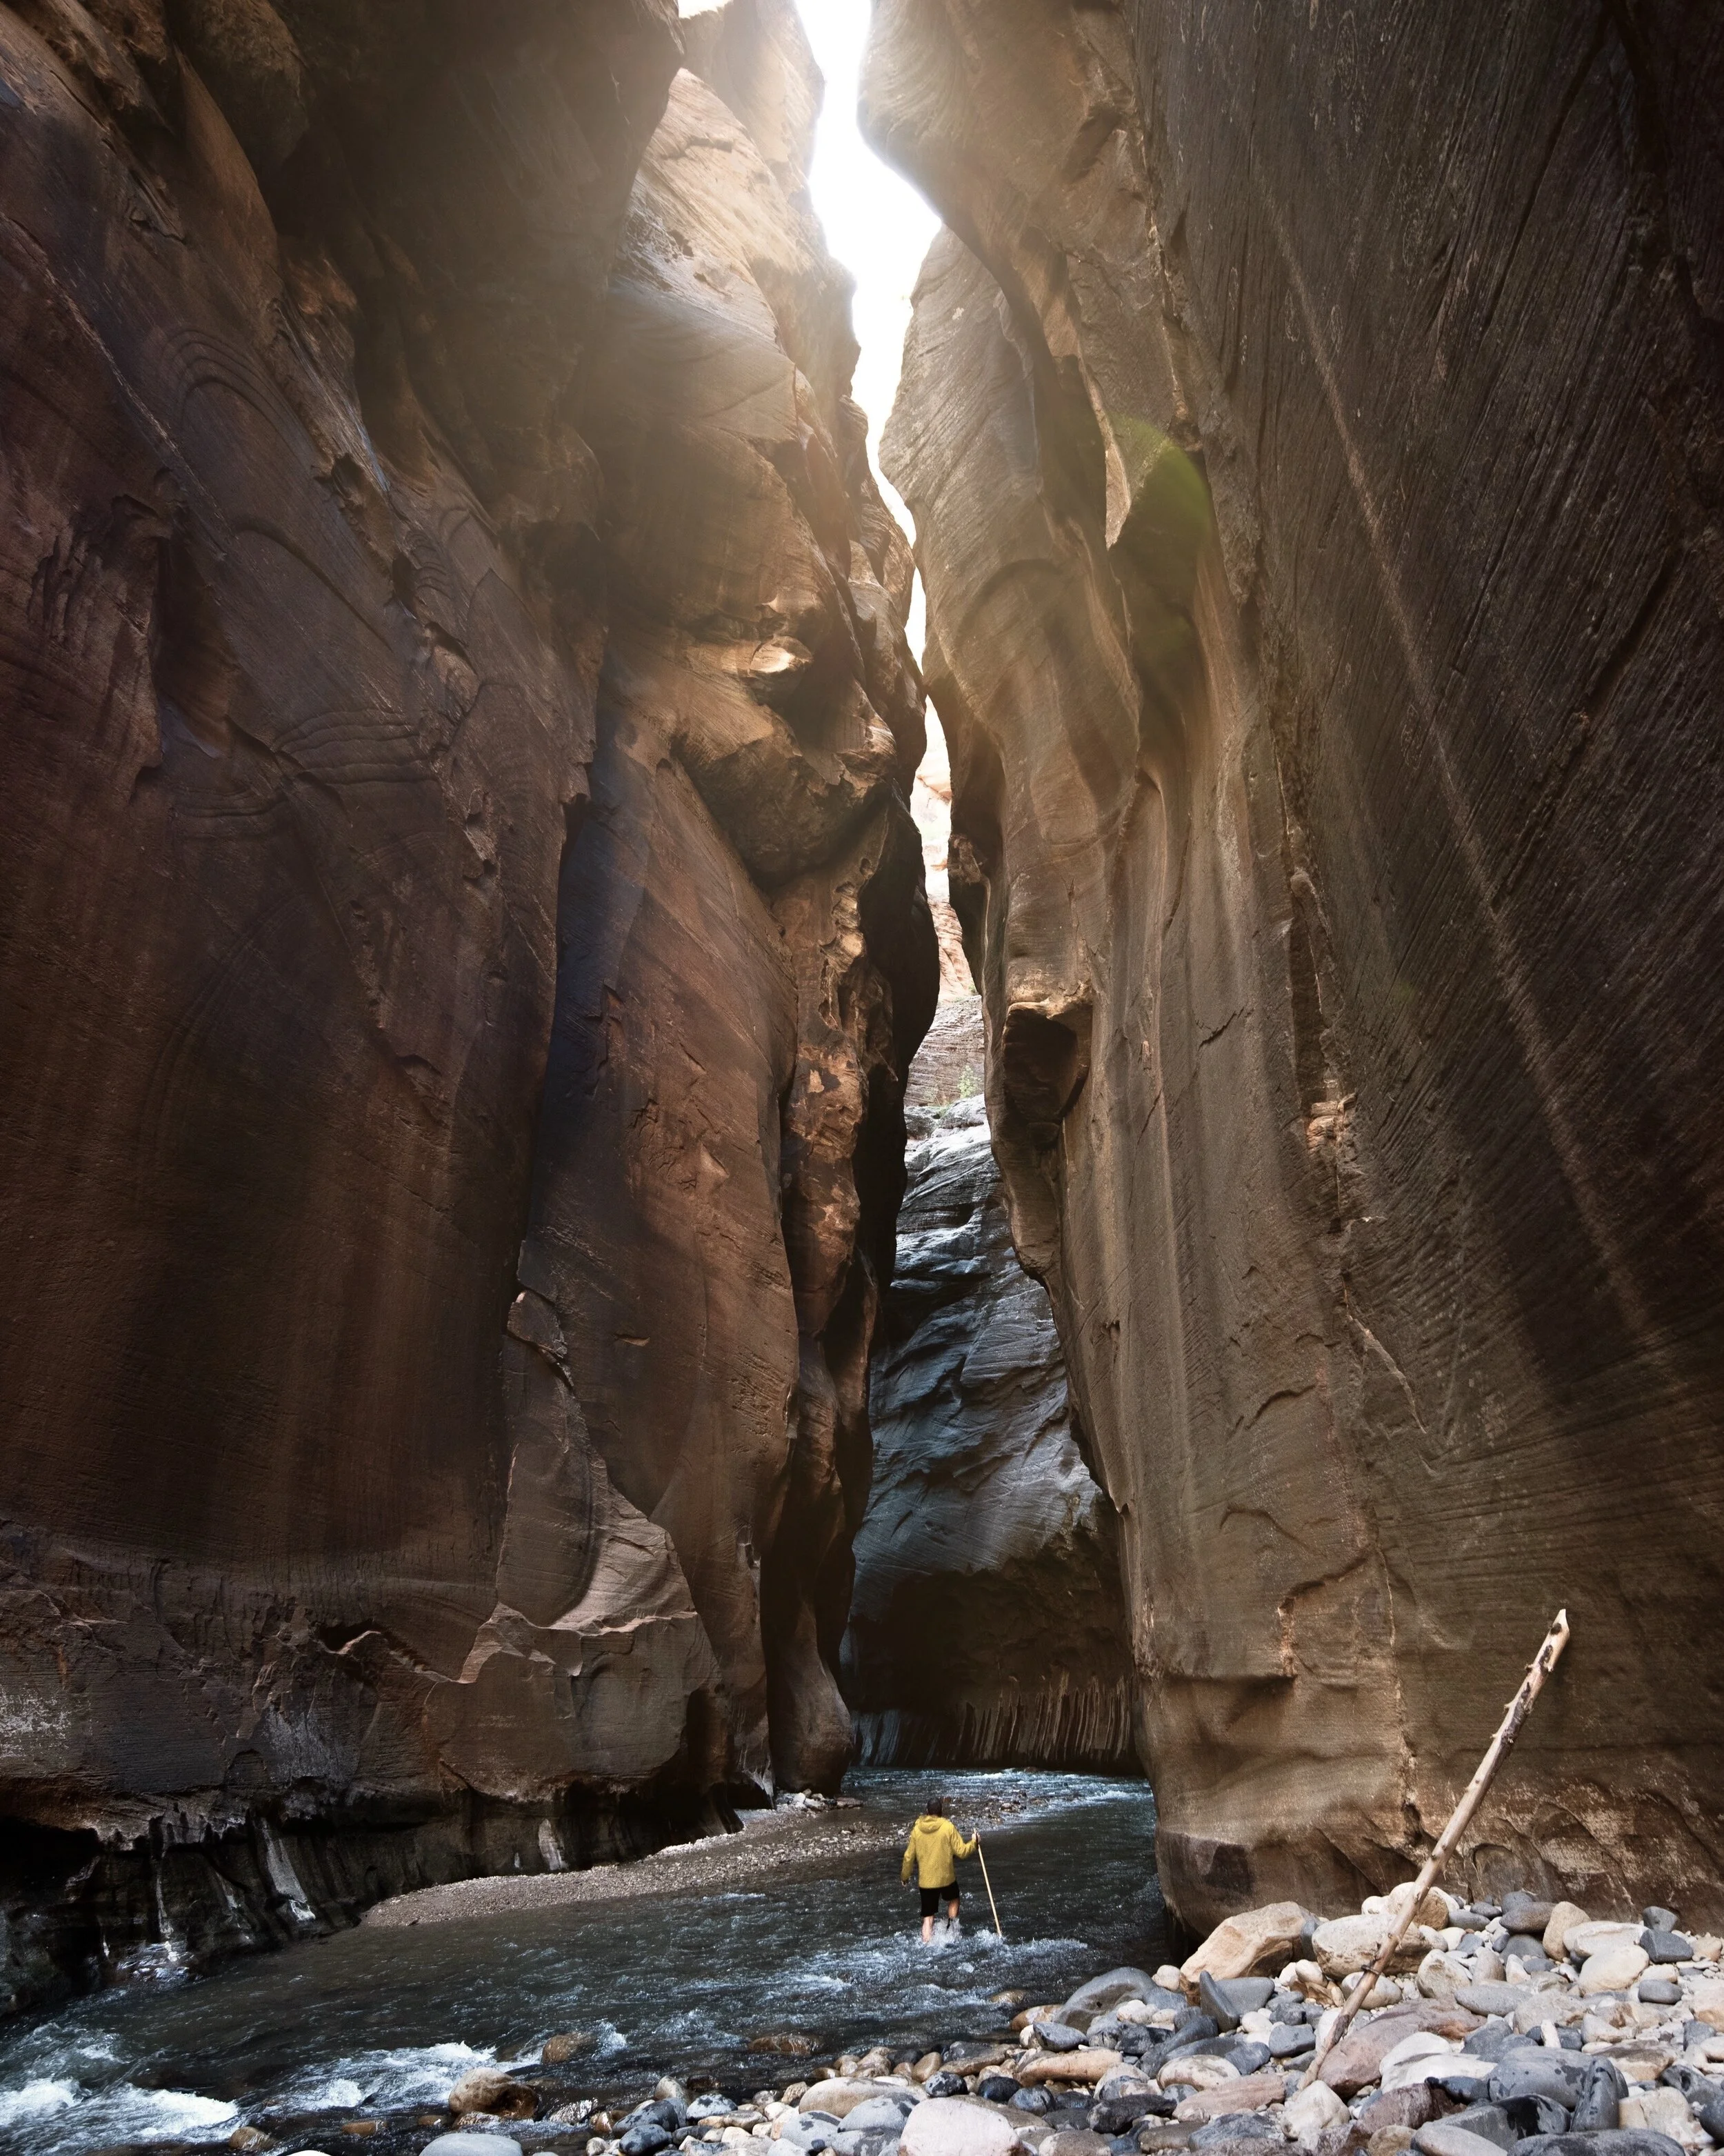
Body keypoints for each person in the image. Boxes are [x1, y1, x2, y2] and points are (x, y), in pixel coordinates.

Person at [899, 1795, 977, 1944]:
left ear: (927, 1812)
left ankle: (926, 1945)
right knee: (954, 1899)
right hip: (947, 1878)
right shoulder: (948, 1827)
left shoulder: (917, 1830)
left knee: (928, 1917)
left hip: (927, 1882)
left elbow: (909, 1857)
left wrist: (905, 1877)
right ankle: (951, 1932)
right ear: (941, 1812)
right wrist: (974, 1842)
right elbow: (962, 1852)